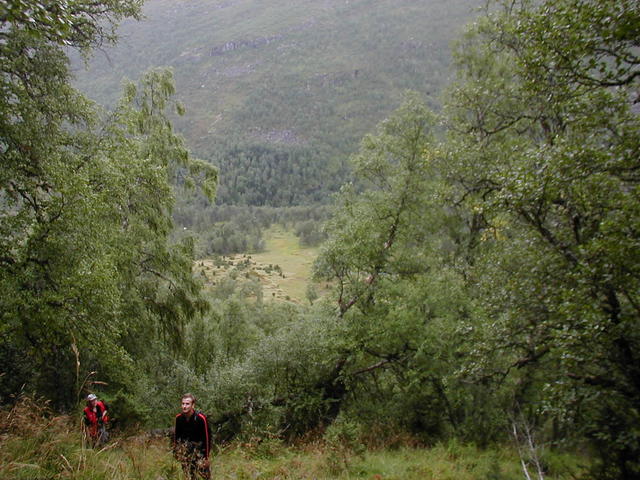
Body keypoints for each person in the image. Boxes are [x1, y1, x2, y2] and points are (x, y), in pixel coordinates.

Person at [174, 393, 211, 479]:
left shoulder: (201, 418)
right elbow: (177, 436)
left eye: (187, 404)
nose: (184, 406)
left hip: (199, 452)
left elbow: (207, 438)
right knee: (189, 476)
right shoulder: (178, 418)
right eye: (183, 404)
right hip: (185, 452)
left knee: (205, 476)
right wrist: (177, 452)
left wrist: (206, 457)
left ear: (193, 405)